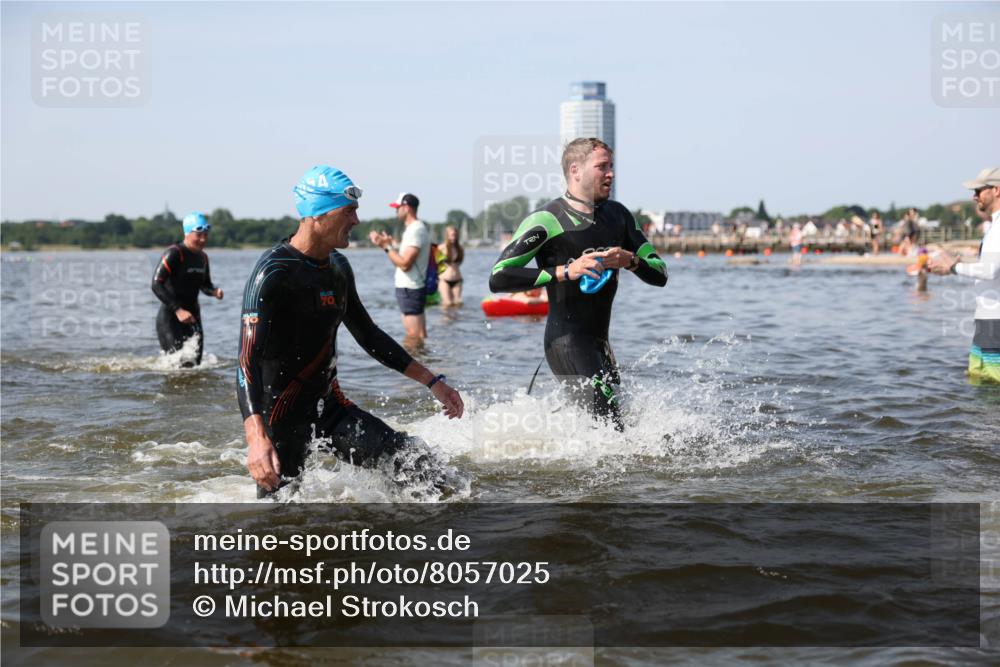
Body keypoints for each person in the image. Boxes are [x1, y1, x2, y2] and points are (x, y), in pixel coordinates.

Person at [238, 167, 464, 497]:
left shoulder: (338, 267)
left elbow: (369, 335)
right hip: (280, 421)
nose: (357, 220)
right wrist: (256, 438)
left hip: (331, 410)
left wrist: (434, 383)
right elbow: (246, 361)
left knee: (424, 469)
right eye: (349, 211)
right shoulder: (273, 271)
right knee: (279, 521)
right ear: (318, 214)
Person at [488, 138, 667, 429]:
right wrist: (565, 271)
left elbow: (660, 273)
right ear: (576, 170)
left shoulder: (619, 216)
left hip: (601, 346)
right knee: (611, 428)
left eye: (611, 166)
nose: (611, 173)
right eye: (602, 167)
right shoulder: (547, 219)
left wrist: (631, 260)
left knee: (609, 429)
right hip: (565, 342)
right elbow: (499, 276)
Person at [929, 167, 1000, 384]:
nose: (974, 195)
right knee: (979, 381)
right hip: (987, 318)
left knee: (992, 387)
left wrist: (954, 267)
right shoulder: (994, 225)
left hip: (995, 320)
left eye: (979, 190)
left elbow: (989, 270)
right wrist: (957, 263)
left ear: (996, 190)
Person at [151, 212, 223, 367]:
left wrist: (214, 291)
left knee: (195, 366)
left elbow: (205, 284)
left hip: (193, 317)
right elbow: (156, 284)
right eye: (199, 235)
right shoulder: (175, 253)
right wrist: (178, 310)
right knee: (177, 366)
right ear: (187, 233)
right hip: (171, 317)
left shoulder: (203, 257)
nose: (203, 239)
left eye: (205, 235)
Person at [369, 193, 430, 343]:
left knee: (413, 337)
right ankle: (426, 362)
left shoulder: (415, 230)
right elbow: (406, 257)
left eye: (397, 208)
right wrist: (391, 245)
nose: (396, 211)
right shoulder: (415, 228)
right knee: (420, 335)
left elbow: (405, 264)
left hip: (410, 288)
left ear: (407, 207)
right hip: (414, 287)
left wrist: (386, 247)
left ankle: (416, 363)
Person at [438, 225, 464, 306]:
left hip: (457, 280)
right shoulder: (441, 248)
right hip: (444, 280)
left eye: (455, 234)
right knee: (447, 303)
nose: (454, 236)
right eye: (452, 234)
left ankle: (456, 319)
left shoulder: (460, 248)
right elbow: (436, 264)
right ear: (447, 235)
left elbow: (459, 263)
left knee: (458, 303)